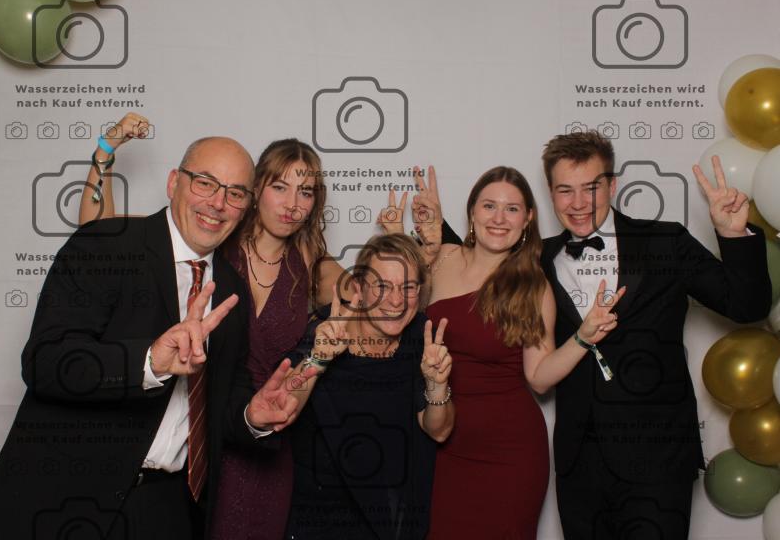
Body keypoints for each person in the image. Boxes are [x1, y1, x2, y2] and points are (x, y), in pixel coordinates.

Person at [0, 136, 308, 540]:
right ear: (174, 182)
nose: (218, 203)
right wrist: (149, 362)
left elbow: (219, 400)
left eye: (235, 193)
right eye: (205, 183)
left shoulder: (231, 289)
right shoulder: (107, 245)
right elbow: (45, 362)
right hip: (61, 497)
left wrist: (252, 415)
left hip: (164, 510)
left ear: (247, 205)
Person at [78, 113, 348, 538]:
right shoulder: (212, 239)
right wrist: (105, 152)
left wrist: (425, 250)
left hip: (263, 440)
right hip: (197, 442)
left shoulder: (312, 264)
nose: (292, 204)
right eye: (279, 187)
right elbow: (99, 235)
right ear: (254, 191)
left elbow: (378, 296)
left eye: (306, 192)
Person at [536, 131, 771, 539]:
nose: (578, 203)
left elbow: (747, 307)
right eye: (565, 190)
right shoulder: (536, 258)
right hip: (580, 467)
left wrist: (732, 235)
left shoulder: (665, 242)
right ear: (551, 193)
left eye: (591, 187)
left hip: (658, 459)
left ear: (612, 185)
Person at [386, 166, 621, 539]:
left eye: (512, 209)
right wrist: (401, 237)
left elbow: (538, 378)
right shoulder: (441, 257)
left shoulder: (532, 286)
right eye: (489, 206)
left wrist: (583, 337)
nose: (499, 218)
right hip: (437, 437)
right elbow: (395, 308)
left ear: (527, 219)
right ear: (472, 212)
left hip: (508, 452)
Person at [281, 234, 455, 540]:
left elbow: (438, 431)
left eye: (408, 287)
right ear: (359, 289)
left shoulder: (420, 336)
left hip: (392, 520)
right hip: (322, 519)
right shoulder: (328, 329)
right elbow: (281, 408)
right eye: (382, 286)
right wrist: (318, 359)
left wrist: (437, 385)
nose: (396, 301)